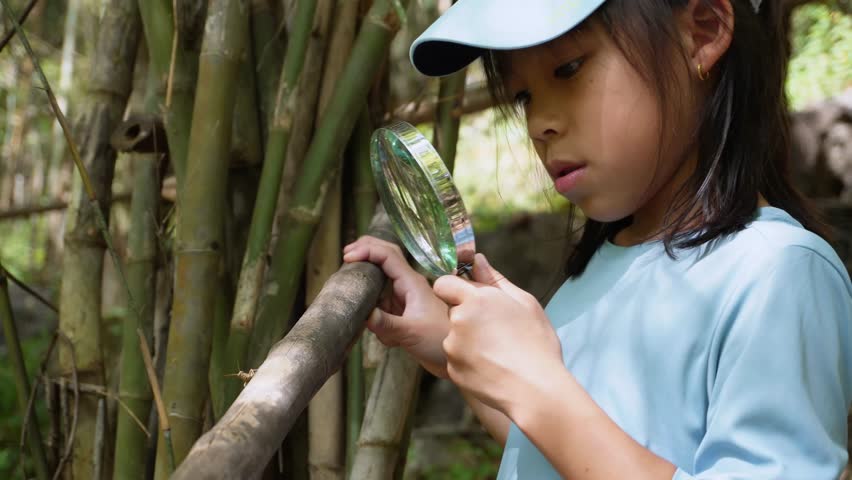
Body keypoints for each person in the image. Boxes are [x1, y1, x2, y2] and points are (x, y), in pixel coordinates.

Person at [342, 0, 852, 478]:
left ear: (703, 32)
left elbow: (557, 414)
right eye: (524, 96)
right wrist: (450, 347)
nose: (540, 123)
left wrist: (534, 385)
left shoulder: (778, 274)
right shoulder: (601, 268)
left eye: (568, 68)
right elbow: (565, 451)